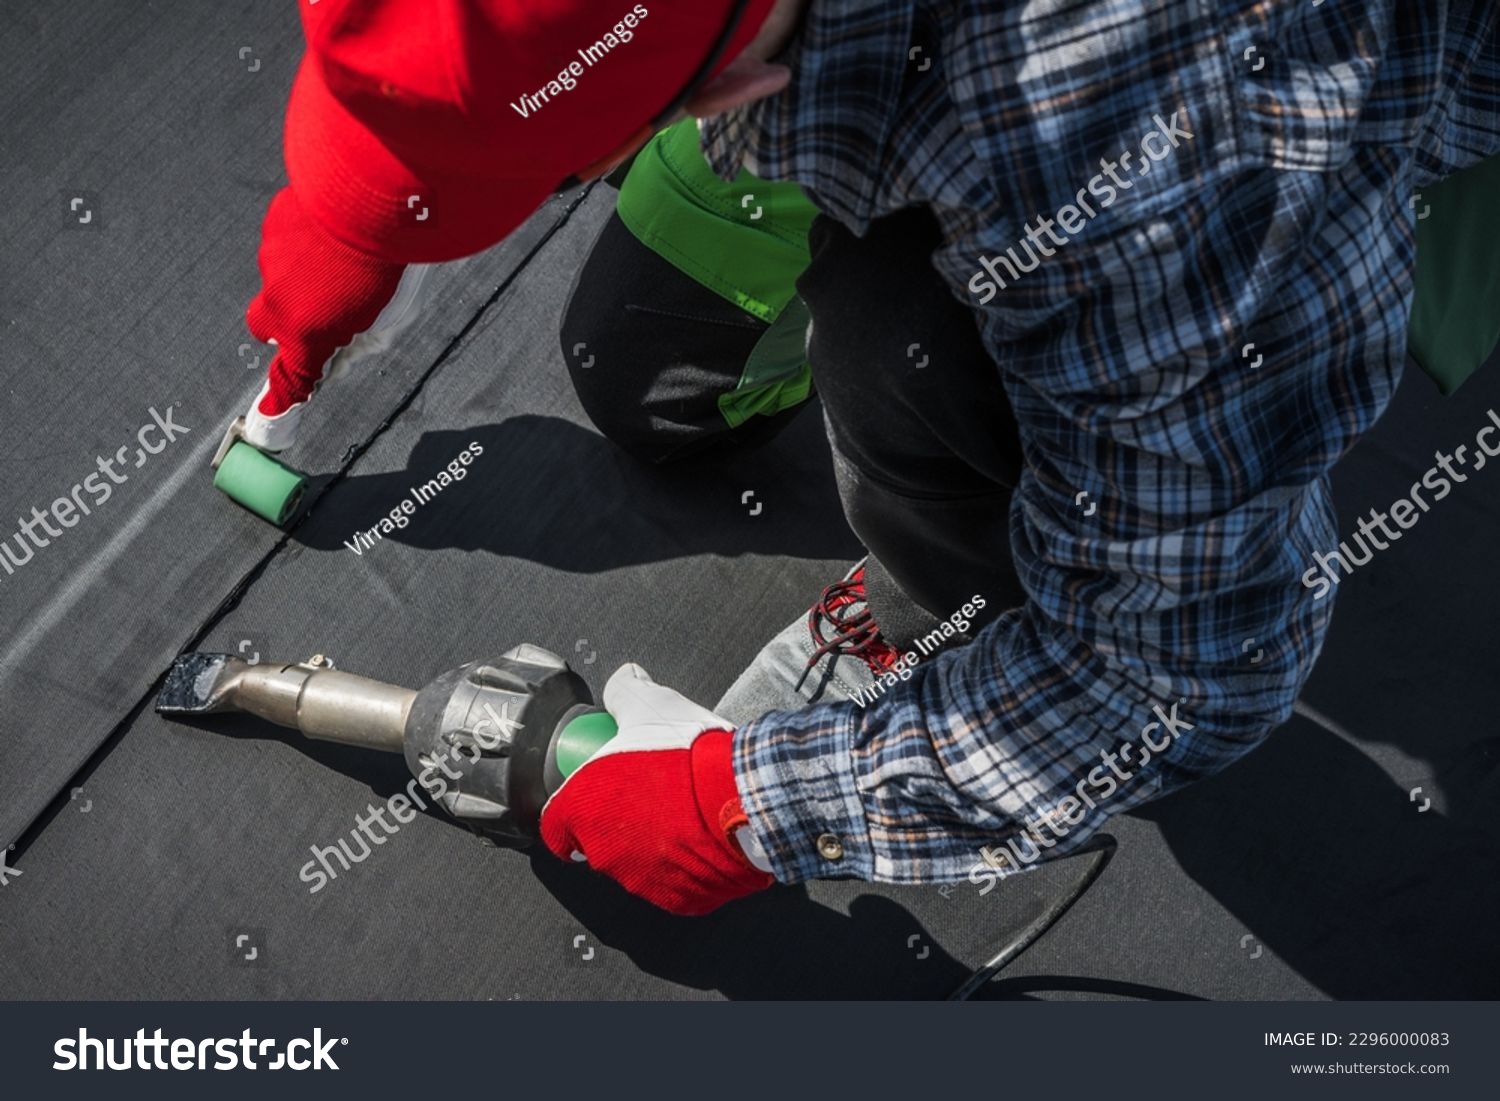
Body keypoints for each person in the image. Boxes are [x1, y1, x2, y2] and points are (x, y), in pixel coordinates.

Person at [241, 0, 1499, 915]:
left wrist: (746, 812)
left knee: (911, 329)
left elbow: (1179, 678)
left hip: (1262, 116)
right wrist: (368, 204)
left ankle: (946, 612)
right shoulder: (761, 63)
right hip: (869, 47)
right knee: (647, 363)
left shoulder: (1147, 190)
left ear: (726, 90)